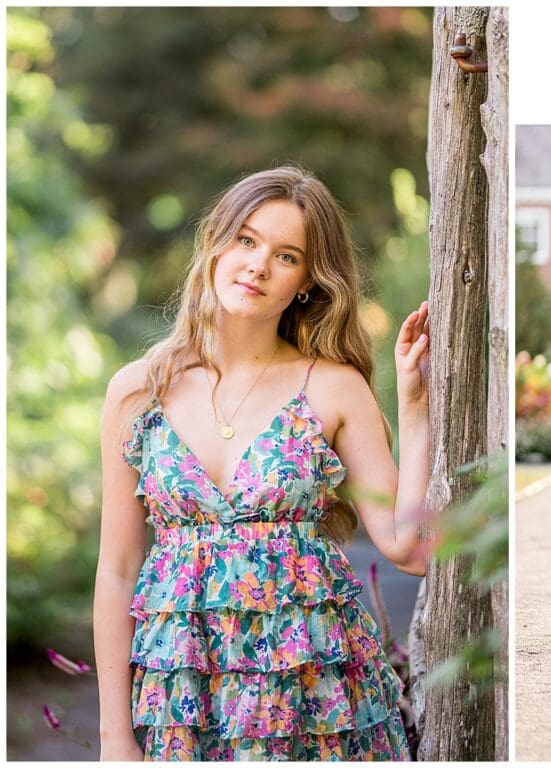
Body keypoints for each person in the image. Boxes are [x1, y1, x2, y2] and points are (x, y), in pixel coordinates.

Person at [94, 166, 429, 760]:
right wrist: (115, 738)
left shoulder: (332, 387)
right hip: (186, 701)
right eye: (246, 240)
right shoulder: (136, 391)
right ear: (216, 244)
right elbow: (117, 571)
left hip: (316, 697)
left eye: (286, 255)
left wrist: (415, 406)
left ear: (306, 281)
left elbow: (408, 548)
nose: (257, 265)